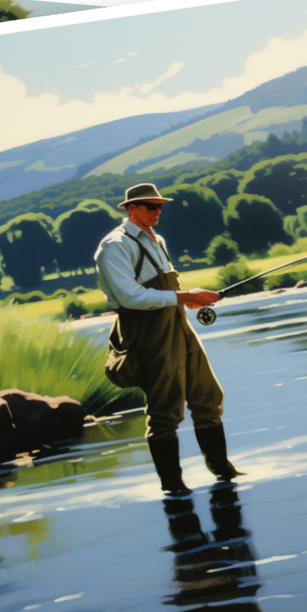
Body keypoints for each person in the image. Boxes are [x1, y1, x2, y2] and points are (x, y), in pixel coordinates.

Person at [94, 182, 239, 498]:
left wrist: (188, 300)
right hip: (145, 331)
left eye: (160, 206)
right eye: (150, 206)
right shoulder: (114, 246)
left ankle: (223, 472)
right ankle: (173, 487)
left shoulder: (156, 240)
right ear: (132, 209)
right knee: (164, 412)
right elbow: (130, 296)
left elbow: (164, 290)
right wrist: (184, 295)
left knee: (208, 396)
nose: (157, 211)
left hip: (178, 325)